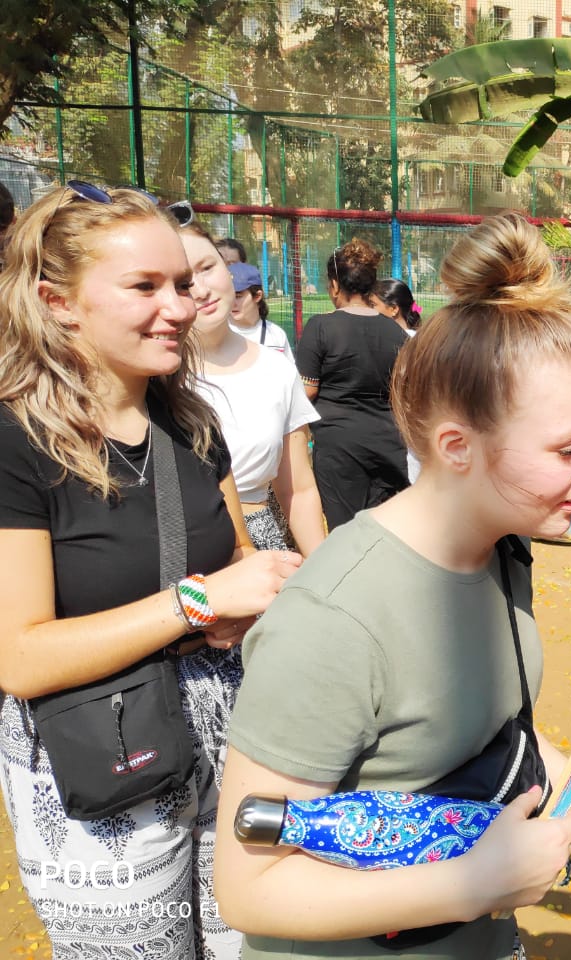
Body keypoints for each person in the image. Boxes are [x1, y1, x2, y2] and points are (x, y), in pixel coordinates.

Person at [214, 212, 571, 959]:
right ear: (457, 447)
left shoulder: (500, 550)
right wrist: (474, 884)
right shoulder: (333, 621)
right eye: (569, 448)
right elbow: (247, 889)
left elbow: (492, 733)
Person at [0, 182, 302, 957]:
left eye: (183, 282)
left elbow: (235, 553)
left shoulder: (190, 421)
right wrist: (200, 602)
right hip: (104, 761)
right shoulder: (16, 443)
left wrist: (254, 593)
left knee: (252, 944)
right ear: (58, 303)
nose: (180, 306)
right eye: (144, 286)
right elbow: (20, 656)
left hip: (230, 742)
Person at [180, 221, 325, 555]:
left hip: (261, 543)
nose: (201, 290)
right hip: (185, 548)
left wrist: (324, 572)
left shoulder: (276, 369)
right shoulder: (156, 378)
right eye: (184, 282)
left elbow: (298, 490)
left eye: (208, 267)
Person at [295, 238, 410, 528]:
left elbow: (307, 389)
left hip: (339, 449)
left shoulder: (320, 327)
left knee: (345, 532)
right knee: (387, 529)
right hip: (389, 442)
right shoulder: (396, 333)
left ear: (335, 285)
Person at [227, 261, 295, 362]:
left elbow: (289, 371)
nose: (232, 303)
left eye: (238, 296)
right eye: (228, 295)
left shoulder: (276, 335)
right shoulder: (215, 335)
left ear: (257, 296)